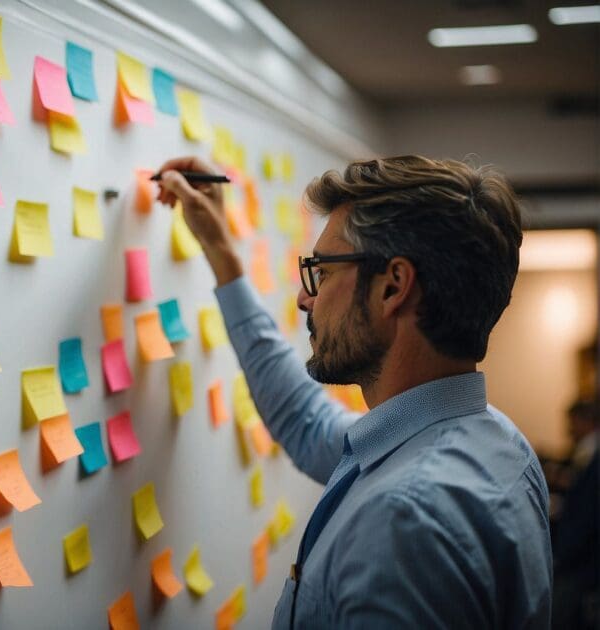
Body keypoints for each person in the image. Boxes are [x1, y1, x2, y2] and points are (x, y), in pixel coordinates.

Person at [155, 155, 552, 628]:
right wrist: (222, 254)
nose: (305, 298)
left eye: (321, 272)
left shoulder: (405, 520)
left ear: (393, 287)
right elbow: (306, 421)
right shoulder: (495, 444)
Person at [551, 399, 598, 629]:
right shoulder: (583, 451)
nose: (569, 429)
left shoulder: (591, 452)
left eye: (573, 422)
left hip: (582, 563)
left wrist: (563, 555)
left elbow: (587, 513)